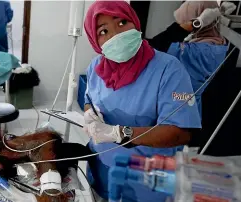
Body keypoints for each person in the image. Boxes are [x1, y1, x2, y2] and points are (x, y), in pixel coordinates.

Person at [82, 1, 201, 202]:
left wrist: (120, 133)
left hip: (145, 178)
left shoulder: (169, 69)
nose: (116, 34)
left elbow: (180, 132)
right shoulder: (96, 67)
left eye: (122, 23)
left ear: (135, 22)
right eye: (103, 31)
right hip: (101, 167)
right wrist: (89, 114)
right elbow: (88, 100)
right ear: (95, 41)